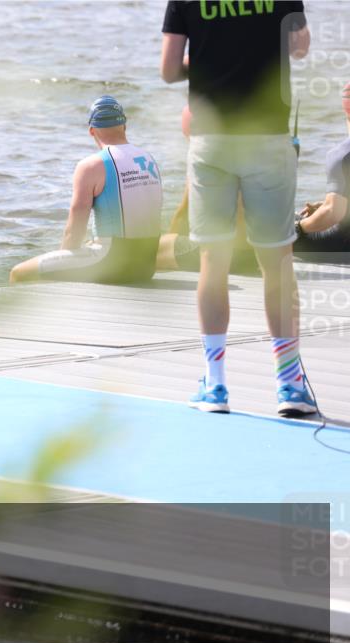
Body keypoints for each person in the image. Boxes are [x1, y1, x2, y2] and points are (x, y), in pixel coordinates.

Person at [161, 0, 313, 415]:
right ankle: (289, 387)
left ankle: (215, 386)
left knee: (213, 258)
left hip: (211, 139)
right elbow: (300, 47)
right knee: (277, 261)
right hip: (268, 137)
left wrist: (208, 59)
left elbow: (169, 69)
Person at [9, 96, 163, 284]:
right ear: (125, 125)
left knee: (19, 273)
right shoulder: (149, 159)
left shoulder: (91, 166)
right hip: (146, 266)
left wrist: (63, 264)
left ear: (91, 131)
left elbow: (74, 230)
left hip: (112, 263)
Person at [156, 105, 259, 274]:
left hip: (220, 256)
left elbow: (183, 214)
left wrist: (169, 241)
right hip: (253, 255)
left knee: (145, 252)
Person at [292, 82, 350, 261]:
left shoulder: (342, 155)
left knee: (285, 235)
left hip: (344, 245)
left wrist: (298, 228)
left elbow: (333, 213)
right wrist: (328, 204)